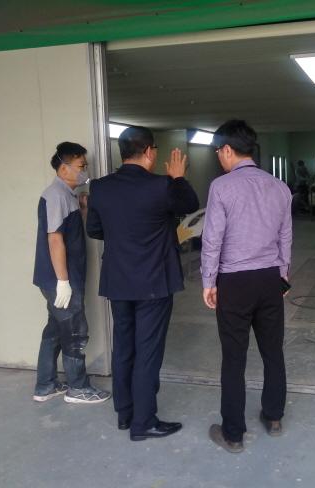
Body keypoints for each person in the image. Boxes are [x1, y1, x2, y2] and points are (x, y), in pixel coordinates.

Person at [86, 126, 199, 441]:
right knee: (147, 351)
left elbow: (94, 229)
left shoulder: (100, 187)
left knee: (124, 346)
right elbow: (190, 204)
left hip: (118, 281)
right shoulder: (162, 186)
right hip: (154, 281)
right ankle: (144, 422)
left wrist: (122, 234)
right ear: (149, 151)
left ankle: (125, 414)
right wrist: (178, 177)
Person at [201, 120, 292, 453]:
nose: (219, 157)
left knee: (234, 359)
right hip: (269, 279)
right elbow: (285, 236)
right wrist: (283, 275)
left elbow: (213, 239)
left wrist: (209, 281)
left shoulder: (221, 187)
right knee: (273, 351)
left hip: (235, 282)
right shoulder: (279, 187)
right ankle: (274, 417)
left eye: (218, 152)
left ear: (227, 150)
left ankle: (233, 434)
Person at [32, 142, 111, 404]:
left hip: (59, 277)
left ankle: (45, 385)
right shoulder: (55, 196)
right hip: (60, 279)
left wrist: (83, 209)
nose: (85, 171)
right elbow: (55, 239)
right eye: (81, 166)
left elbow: (70, 232)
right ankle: (78, 388)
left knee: (55, 330)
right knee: (75, 333)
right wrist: (63, 282)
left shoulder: (66, 195)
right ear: (64, 168)